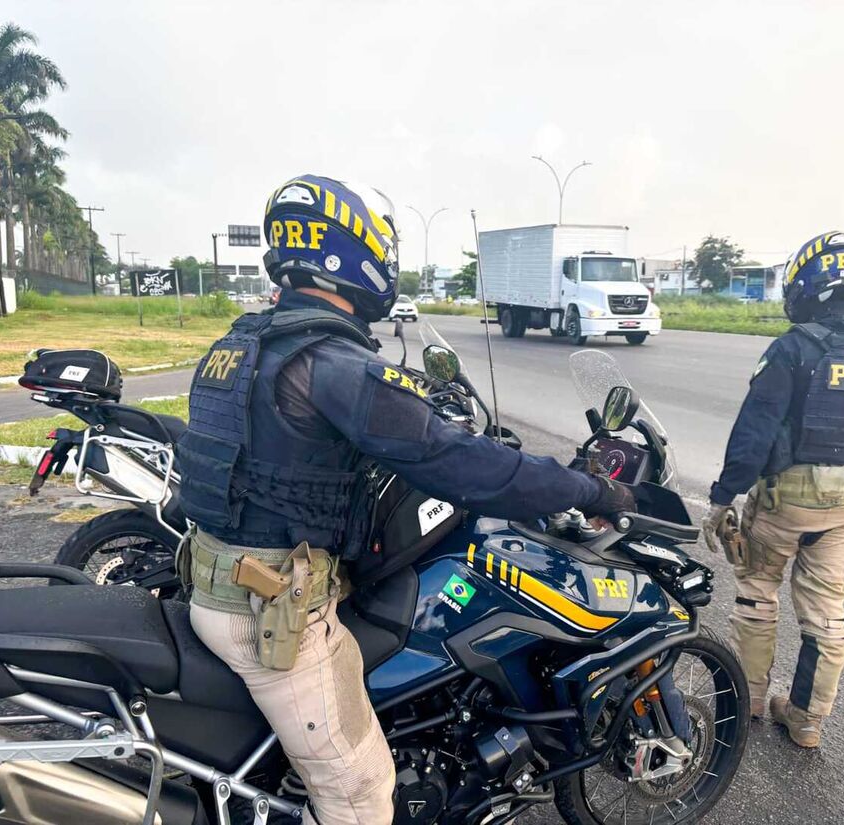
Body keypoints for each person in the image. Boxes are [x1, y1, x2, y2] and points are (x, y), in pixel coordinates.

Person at [178, 174, 637, 825]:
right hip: (273, 614)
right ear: (352, 252)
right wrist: (589, 486)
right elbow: (460, 460)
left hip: (220, 580)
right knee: (363, 792)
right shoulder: (331, 362)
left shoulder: (243, 345)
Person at [701, 232, 844, 748]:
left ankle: (744, 702)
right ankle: (806, 719)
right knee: (826, 613)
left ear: (806, 285)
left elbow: (754, 433)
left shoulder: (793, 348)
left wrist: (723, 497)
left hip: (782, 503)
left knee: (756, 593)